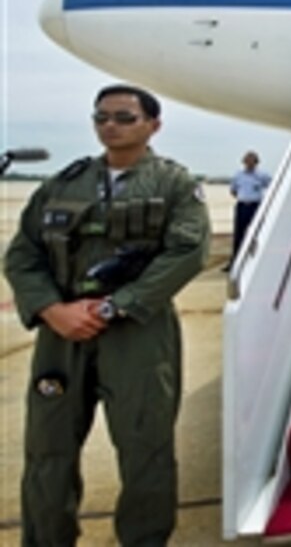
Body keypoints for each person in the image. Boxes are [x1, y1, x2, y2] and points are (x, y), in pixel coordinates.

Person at [4, 83, 210, 546]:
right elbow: (22, 256)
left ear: (153, 125)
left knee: (146, 450)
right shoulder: (63, 183)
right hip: (63, 332)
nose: (109, 126)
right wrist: (52, 310)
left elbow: (187, 252)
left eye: (123, 117)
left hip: (137, 331)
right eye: (101, 118)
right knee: (47, 450)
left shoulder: (175, 184)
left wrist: (117, 305)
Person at [225, 150, 271, 271]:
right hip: (242, 206)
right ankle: (234, 262)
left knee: (257, 233)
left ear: (256, 162)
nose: (249, 163)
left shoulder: (262, 175)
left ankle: (257, 261)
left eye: (252, 161)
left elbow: (272, 186)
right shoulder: (238, 175)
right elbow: (233, 190)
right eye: (247, 161)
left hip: (255, 206)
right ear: (244, 162)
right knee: (238, 234)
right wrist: (244, 198)